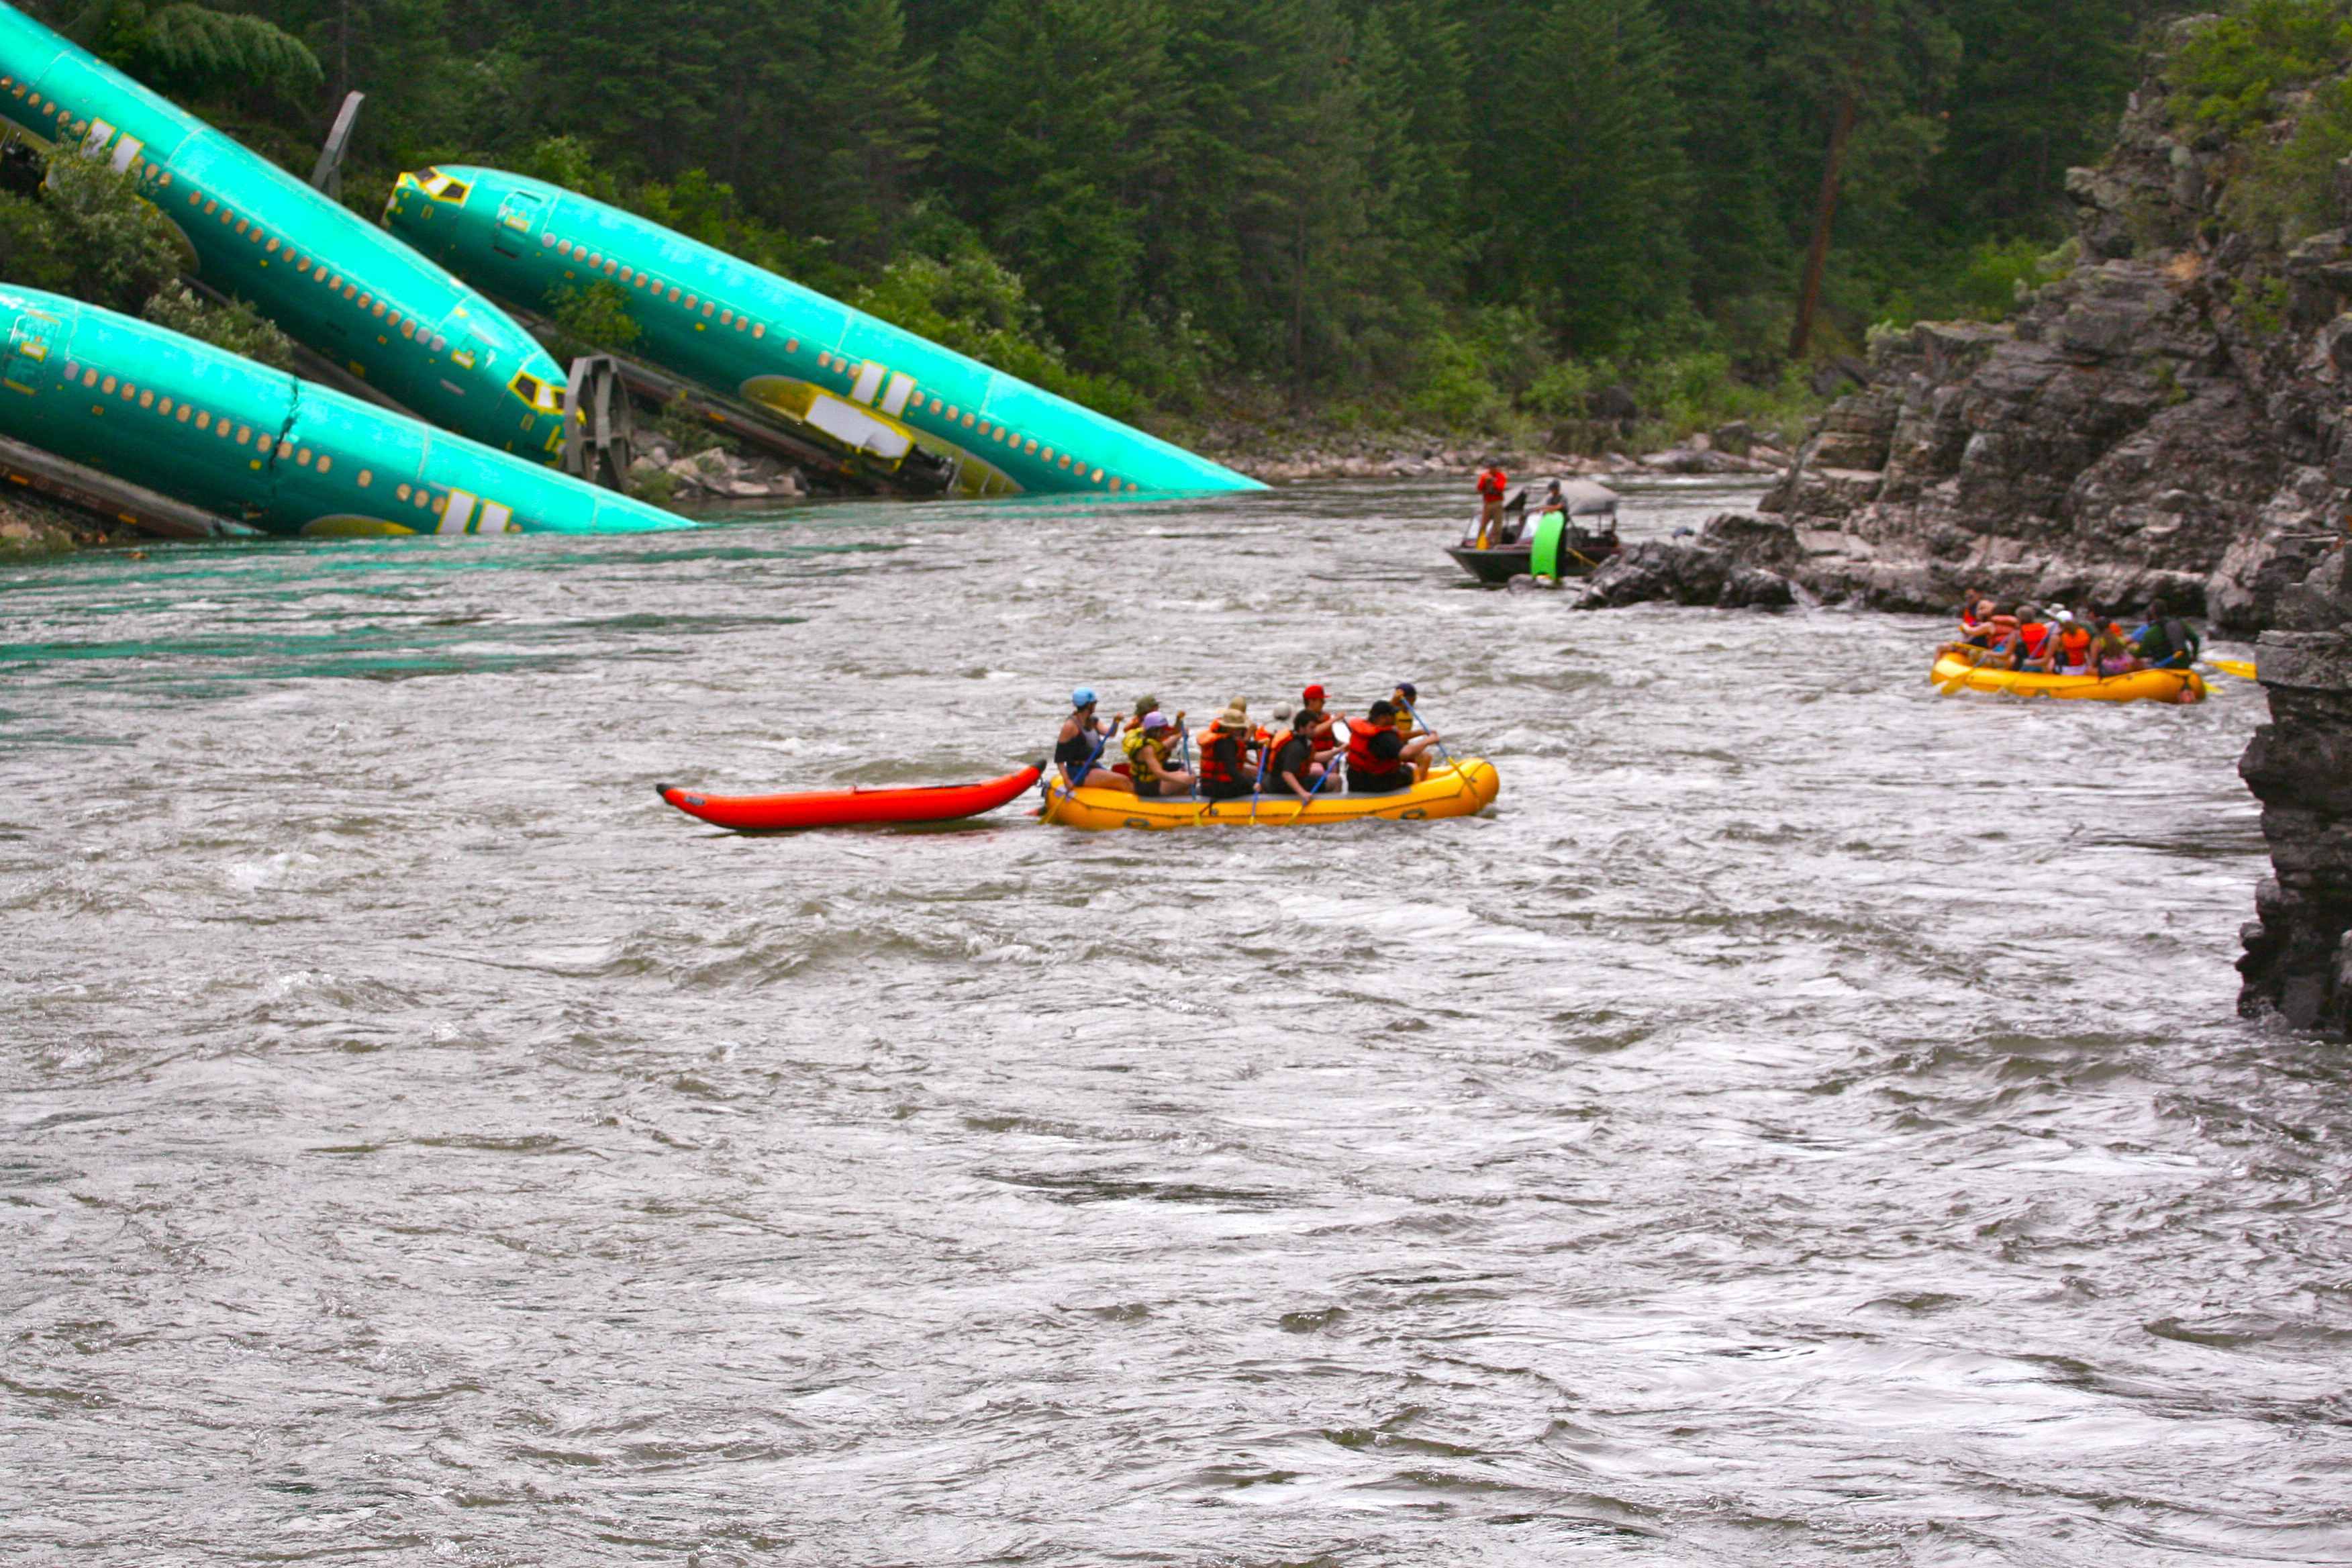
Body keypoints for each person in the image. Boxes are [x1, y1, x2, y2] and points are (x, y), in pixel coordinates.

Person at [1346, 699, 1441, 793]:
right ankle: (1419, 793)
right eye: (1393, 715)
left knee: (1422, 757)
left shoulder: (1365, 727)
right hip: (1376, 783)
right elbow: (1406, 754)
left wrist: (1421, 732)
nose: (1396, 717)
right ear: (1382, 717)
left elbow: (1397, 736)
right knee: (1417, 764)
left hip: (1355, 780)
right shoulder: (1384, 737)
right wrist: (1428, 741)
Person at [1053, 687, 1132, 792]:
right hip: (1078, 772)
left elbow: (1110, 733)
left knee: (1125, 779)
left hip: (1092, 766)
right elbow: (1059, 758)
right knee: (1123, 780)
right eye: (1094, 703)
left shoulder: (1093, 721)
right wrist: (1067, 780)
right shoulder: (1070, 726)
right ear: (1088, 705)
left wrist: (1116, 722)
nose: (1095, 705)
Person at [1196, 702, 1257, 801]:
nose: (1241, 731)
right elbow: (1233, 772)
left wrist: (1257, 744)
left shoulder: (1221, 738)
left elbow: (1242, 745)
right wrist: (1252, 786)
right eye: (1238, 728)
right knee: (1254, 782)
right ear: (1230, 728)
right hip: (1220, 790)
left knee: (1251, 780)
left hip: (1209, 786)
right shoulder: (1227, 744)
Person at [1263, 707, 1324, 800]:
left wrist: (1337, 751)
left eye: (1315, 727)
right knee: (1335, 781)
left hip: (1276, 780)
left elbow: (1314, 757)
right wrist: (1303, 793)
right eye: (1312, 727)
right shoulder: (1296, 747)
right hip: (1282, 786)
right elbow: (1287, 774)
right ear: (1301, 727)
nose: (1315, 730)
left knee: (1322, 776)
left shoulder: (1300, 739)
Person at [1129, 711, 1193, 798]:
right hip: (1147, 788)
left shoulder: (1149, 738)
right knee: (1188, 778)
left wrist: (1179, 723)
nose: (1164, 733)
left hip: (1152, 782)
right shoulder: (1147, 749)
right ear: (1155, 730)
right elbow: (1159, 773)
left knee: (1189, 773)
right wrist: (1182, 780)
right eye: (1163, 730)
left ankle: (1180, 796)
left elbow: (1173, 732)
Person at [2130, 597, 2200, 670]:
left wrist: (2131, 652)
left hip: (2165, 668)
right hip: (2184, 665)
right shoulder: (2181, 624)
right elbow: (2195, 639)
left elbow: (2140, 654)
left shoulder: (2150, 633)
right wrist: (2194, 655)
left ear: (2152, 613)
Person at [1475, 459, 1509, 548]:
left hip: (1497, 503)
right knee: (1483, 525)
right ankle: (1480, 543)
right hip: (1487, 503)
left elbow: (1500, 488)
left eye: (1494, 467)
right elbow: (1479, 489)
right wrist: (1486, 484)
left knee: (1497, 525)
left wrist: (1492, 482)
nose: (1492, 469)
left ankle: (1496, 544)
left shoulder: (1501, 476)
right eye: (1490, 467)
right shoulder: (1484, 476)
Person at [2052, 611, 2095, 676]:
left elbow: (2058, 652)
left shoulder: (2060, 636)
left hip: (2065, 670)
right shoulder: (2084, 633)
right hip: (2082, 668)